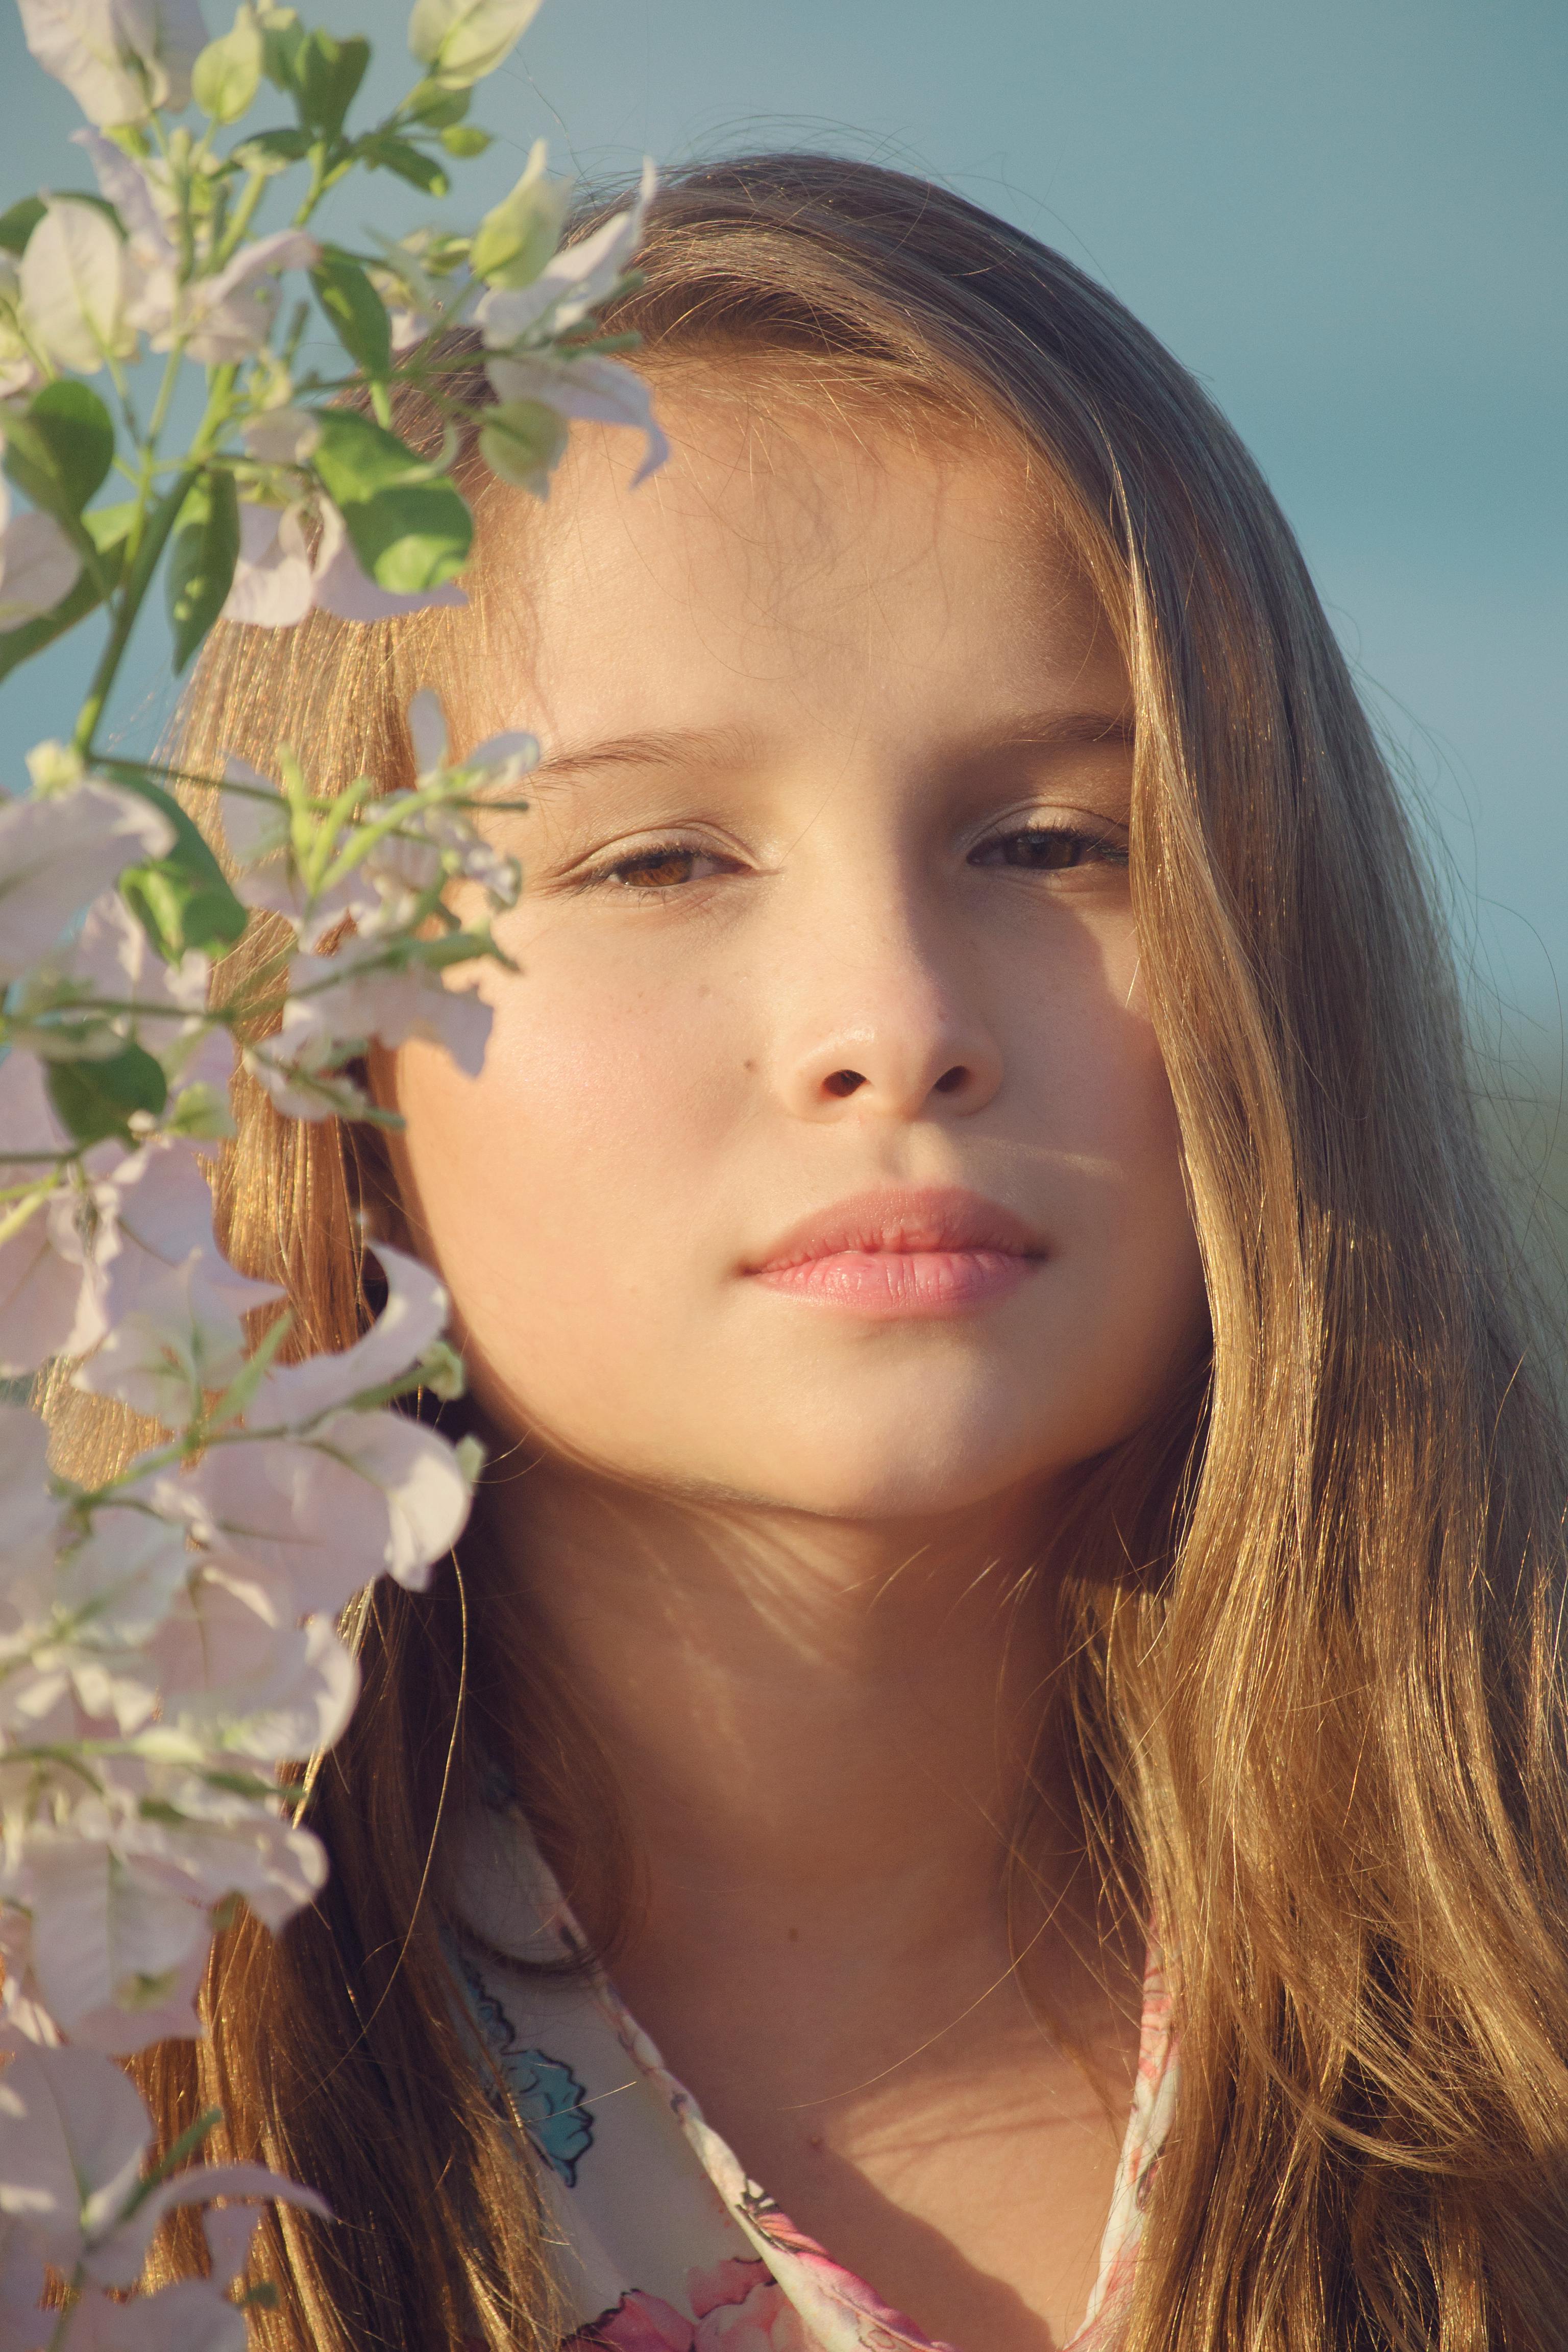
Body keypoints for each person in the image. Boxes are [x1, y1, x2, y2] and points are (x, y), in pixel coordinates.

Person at [48, 155, 1568, 2352]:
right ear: (310, 1032)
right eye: (659, 858)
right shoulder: (90, 2079)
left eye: (1054, 841)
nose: (898, 1028)